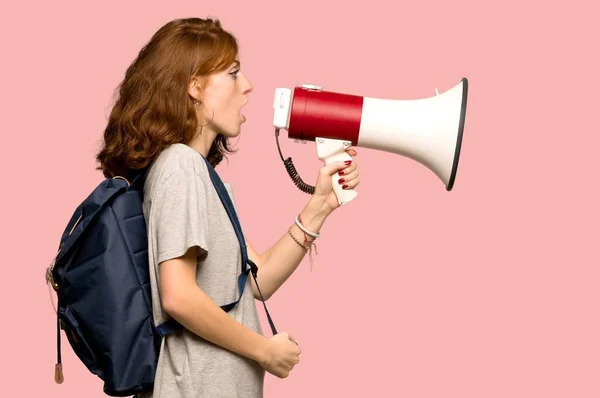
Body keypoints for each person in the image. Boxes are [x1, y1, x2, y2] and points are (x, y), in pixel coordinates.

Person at [95, 17, 360, 398]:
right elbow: (178, 296)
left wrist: (320, 206)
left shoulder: (195, 172)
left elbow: (258, 280)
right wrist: (264, 351)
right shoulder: (180, 167)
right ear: (195, 88)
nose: (248, 85)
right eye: (233, 73)